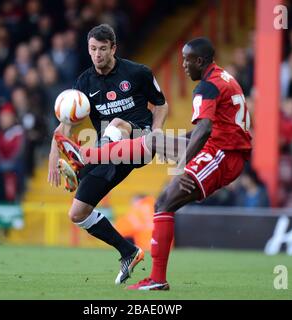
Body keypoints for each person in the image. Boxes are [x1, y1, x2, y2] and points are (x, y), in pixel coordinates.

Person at [58, 37, 252, 290]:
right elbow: (208, 130)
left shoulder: (205, 88)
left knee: (163, 201)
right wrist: (172, 142)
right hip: (220, 148)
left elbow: (204, 129)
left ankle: (158, 280)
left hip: (223, 154)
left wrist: (182, 163)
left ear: (200, 61)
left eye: (187, 60)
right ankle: (85, 158)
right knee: (153, 142)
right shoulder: (222, 78)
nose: (182, 65)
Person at [48, 24, 168, 285]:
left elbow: (161, 104)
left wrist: (156, 132)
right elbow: (65, 124)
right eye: (93, 49)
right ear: (88, 49)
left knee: (116, 123)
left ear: (114, 48)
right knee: (77, 213)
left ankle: (82, 164)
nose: (98, 54)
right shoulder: (84, 82)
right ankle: (128, 251)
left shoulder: (138, 73)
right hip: (111, 154)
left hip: (140, 142)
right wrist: (53, 159)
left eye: (103, 49)